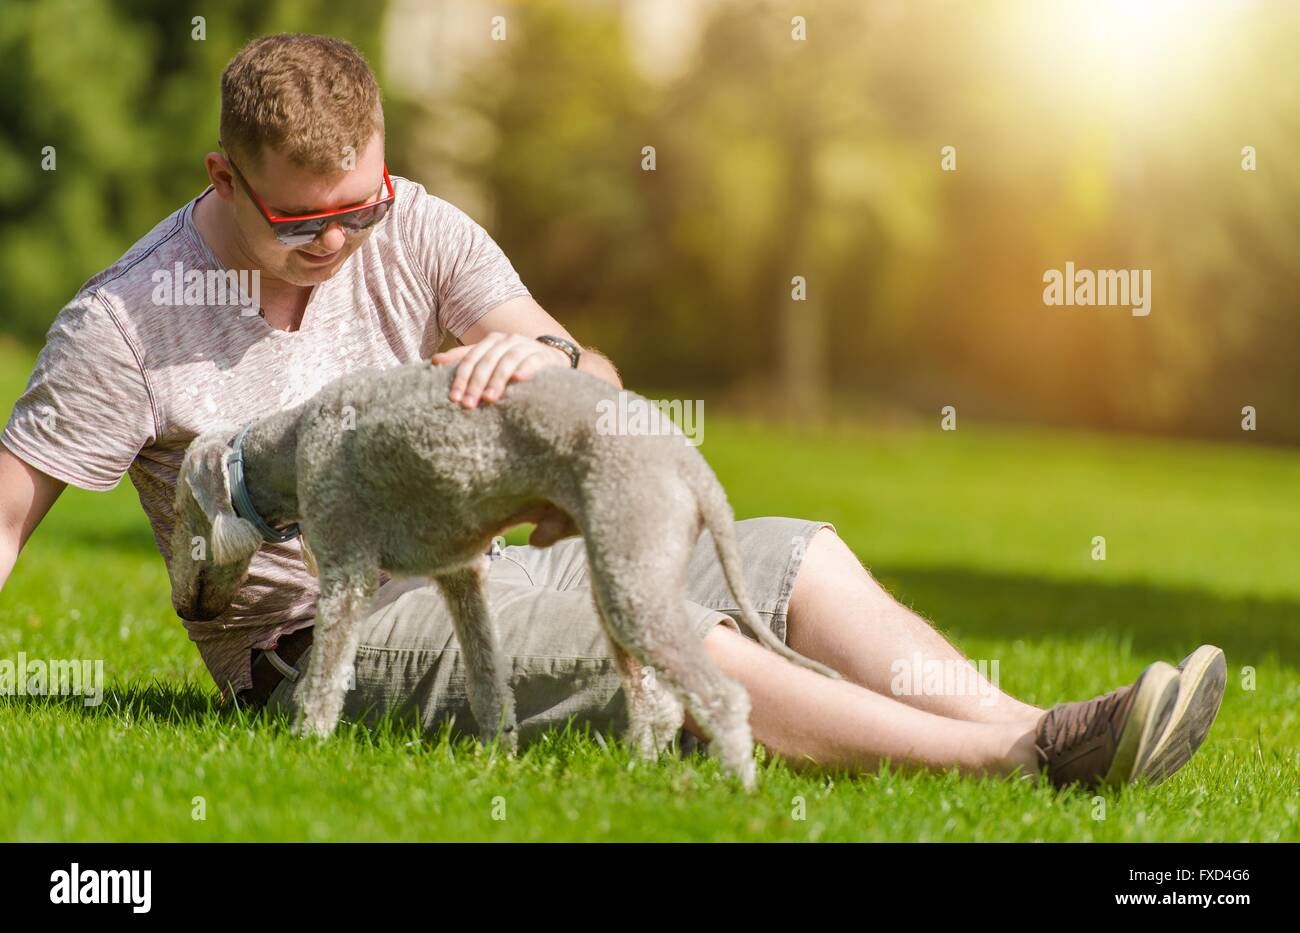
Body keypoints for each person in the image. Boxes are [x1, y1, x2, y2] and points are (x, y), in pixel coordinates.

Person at [0, 33, 1223, 790]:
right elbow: (9, 517)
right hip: (322, 636)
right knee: (656, 637)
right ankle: (1028, 761)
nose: (339, 245)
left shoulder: (413, 225)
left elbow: (586, 367)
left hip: (475, 554)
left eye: (358, 210)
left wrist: (538, 361)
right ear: (225, 176)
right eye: (302, 223)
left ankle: (1058, 720)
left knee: (789, 553)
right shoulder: (129, 322)